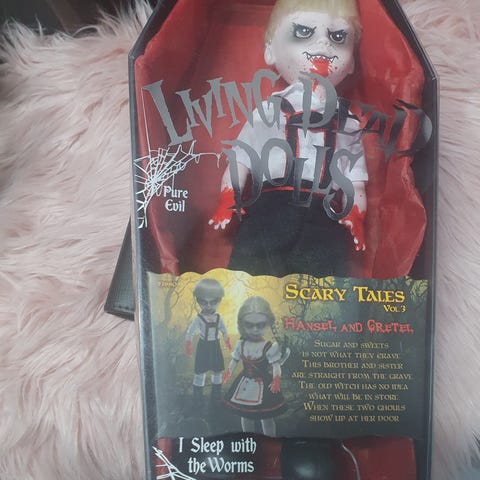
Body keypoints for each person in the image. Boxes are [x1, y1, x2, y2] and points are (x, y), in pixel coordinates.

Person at [209, 0, 367, 278]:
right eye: (303, 31)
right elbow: (241, 159)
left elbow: (355, 181)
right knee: (251, 277)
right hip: (270, 208)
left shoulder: (347, 123)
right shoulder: (269, 111)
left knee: (324, 288)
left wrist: (356, 213)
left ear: (352, 61)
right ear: (270, 50)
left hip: (324, 217)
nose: (323, 44)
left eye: (338, 36)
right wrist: (228, 195)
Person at [223, 296, 288, 436]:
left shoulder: (269, 347)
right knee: (245, 415)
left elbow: (276, 365)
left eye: (260, 325)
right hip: (244, 383)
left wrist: (276, 379)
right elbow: (235, 359)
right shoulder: (241, 344)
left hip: (263, 384)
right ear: (242, 325)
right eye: (249, 325)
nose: (255, 329)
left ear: (268, 324)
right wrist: (228, 371)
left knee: (266, 417)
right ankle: (249, 439)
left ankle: (270, 439)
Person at [185, 278, 231, 413]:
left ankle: (216, 398)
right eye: (204, 302)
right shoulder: (198, 318)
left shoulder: (218, 318)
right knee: (200, 372)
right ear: (198, 300)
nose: (209, 306)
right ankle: (197, 399)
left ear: (219, 300)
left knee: (217, 371)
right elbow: (190, 331)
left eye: (213, 302)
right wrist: (188, 343)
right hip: (203, 347)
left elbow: (224, 330)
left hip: (215, 346)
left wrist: (227, 340)